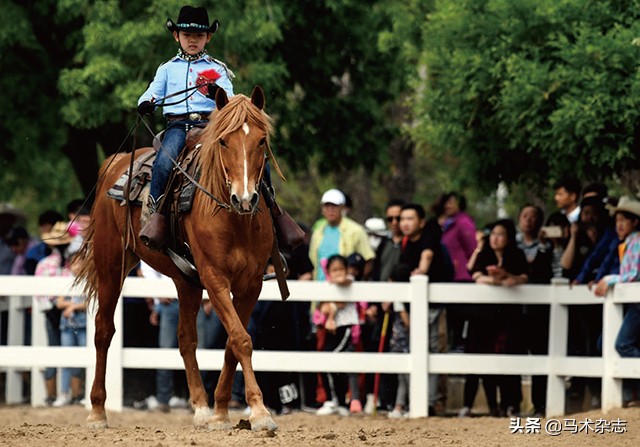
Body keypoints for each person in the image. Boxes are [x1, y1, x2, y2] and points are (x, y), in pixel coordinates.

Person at [136, 5, 234, 248]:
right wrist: (146, 103)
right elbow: (152, 93)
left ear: (207, 37)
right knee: (163, 163)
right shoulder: (167, 68)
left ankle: (271, 210)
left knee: (247, 156)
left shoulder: (218, 69)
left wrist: (217, 92)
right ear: (176, 36)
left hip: (210, 127)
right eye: (187, 36)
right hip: (178, 127)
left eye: (199, 36)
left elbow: (231, 101)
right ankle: (155, 215)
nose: (193, 40)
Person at [466, 219, 528, 417]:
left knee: (510, 357)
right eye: (493, 234)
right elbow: (474, 274)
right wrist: (491, 280)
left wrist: (509, 277)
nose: (495, 238)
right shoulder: (483, 254)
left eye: (500, 234)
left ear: (508, 237)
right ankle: (492, 404)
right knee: (486, 359)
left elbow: (524, 276)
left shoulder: (516, 255)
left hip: (510, 317)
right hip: (485, 318)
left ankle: (511, 404)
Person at [593, 196, 640, 406]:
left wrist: (608, 279)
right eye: (617, 220)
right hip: (632, 302)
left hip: (636, 303)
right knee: (611, 343)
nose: (619, 224)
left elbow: (632, 275)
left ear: (635, 222)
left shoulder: (637, 242)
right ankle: (632, 393)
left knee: (622, 344)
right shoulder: (628, 244)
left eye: (624, 220)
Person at [34, 221, 74, 406]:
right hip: (53, 310)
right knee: (54, 346)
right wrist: (53, 305)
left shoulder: (71, 265)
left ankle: (70, 392)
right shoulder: (46, 264)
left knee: (69, 347)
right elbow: (40, 292)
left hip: (67, 310)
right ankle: (52, 393)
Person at [315, 254, 359, 417]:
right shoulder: (328, 286)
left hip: (345, 327)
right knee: (329, 361)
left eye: (341, 269)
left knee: (331, 358)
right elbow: (322, 308)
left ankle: (337, 401)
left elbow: (346, 282)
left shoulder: (348, 282)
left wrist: (337, 281)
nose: (338, 273)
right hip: (333, 329)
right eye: (334, 270)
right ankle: (335, 401)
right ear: (328, 271)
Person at [309, 189, 376, 281]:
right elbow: (313, 262)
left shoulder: (356, 230)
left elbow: (369, 260)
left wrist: (357, 283)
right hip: (320, 288)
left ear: (343, 208)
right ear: (322, 209)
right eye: (327, 206)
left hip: (346, 288)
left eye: (335, 206)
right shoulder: (318, 232)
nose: (330, 209)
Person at [53, 254, 87, 407]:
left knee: (84, 359)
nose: (77, 267)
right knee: (66, 359)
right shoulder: (66, 283)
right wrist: (70, 305)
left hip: (83, 325)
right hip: (67, 326)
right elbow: (59, 302)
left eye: (80, 263)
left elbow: (89, 302)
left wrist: (72, 306)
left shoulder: (88, 282)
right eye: (74, 264)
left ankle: (83, 393)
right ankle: (64, 393)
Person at [384, 263, 412, 419]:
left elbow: (406, 321)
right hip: (401, 342)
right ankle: (400, 405)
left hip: (402, 342)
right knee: (402, 376)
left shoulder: (399, 299)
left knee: (405, 377)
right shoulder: (400, 298)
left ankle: (403, 405)